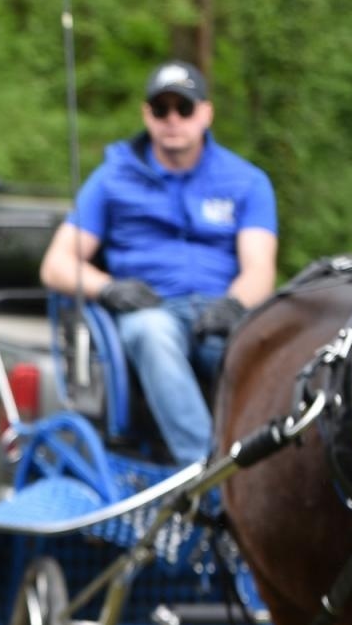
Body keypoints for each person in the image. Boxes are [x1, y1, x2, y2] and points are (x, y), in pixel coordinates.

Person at [40, 59, 278, 466]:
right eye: (160, 109)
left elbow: (260, 269)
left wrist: (234, 304)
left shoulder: (247, 181)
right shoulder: (112, 179)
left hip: (220, 314)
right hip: (150, 311)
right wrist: (108, 288)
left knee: (280, 350)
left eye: (183, 109)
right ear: (146, 114)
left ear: (205, 113)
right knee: (153, 334)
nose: (172, 120)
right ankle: (207, 471)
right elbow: (56, 264)